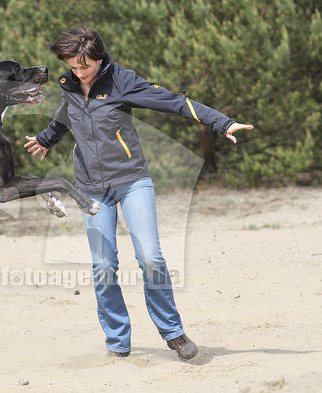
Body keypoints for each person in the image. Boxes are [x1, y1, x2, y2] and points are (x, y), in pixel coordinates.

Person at [23, 26, 253, 360]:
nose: (78, 72)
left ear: (100, 59)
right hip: (91, 190)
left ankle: (173, 333)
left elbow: (174, 102)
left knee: (151, 258)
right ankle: (117, 340)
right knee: (103, 266)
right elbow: (65, 116)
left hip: (132, 182)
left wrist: (222, 122)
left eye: (84, 67)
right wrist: (46, 138)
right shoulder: (70, 85)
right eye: (73, 66)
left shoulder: (122, 82)